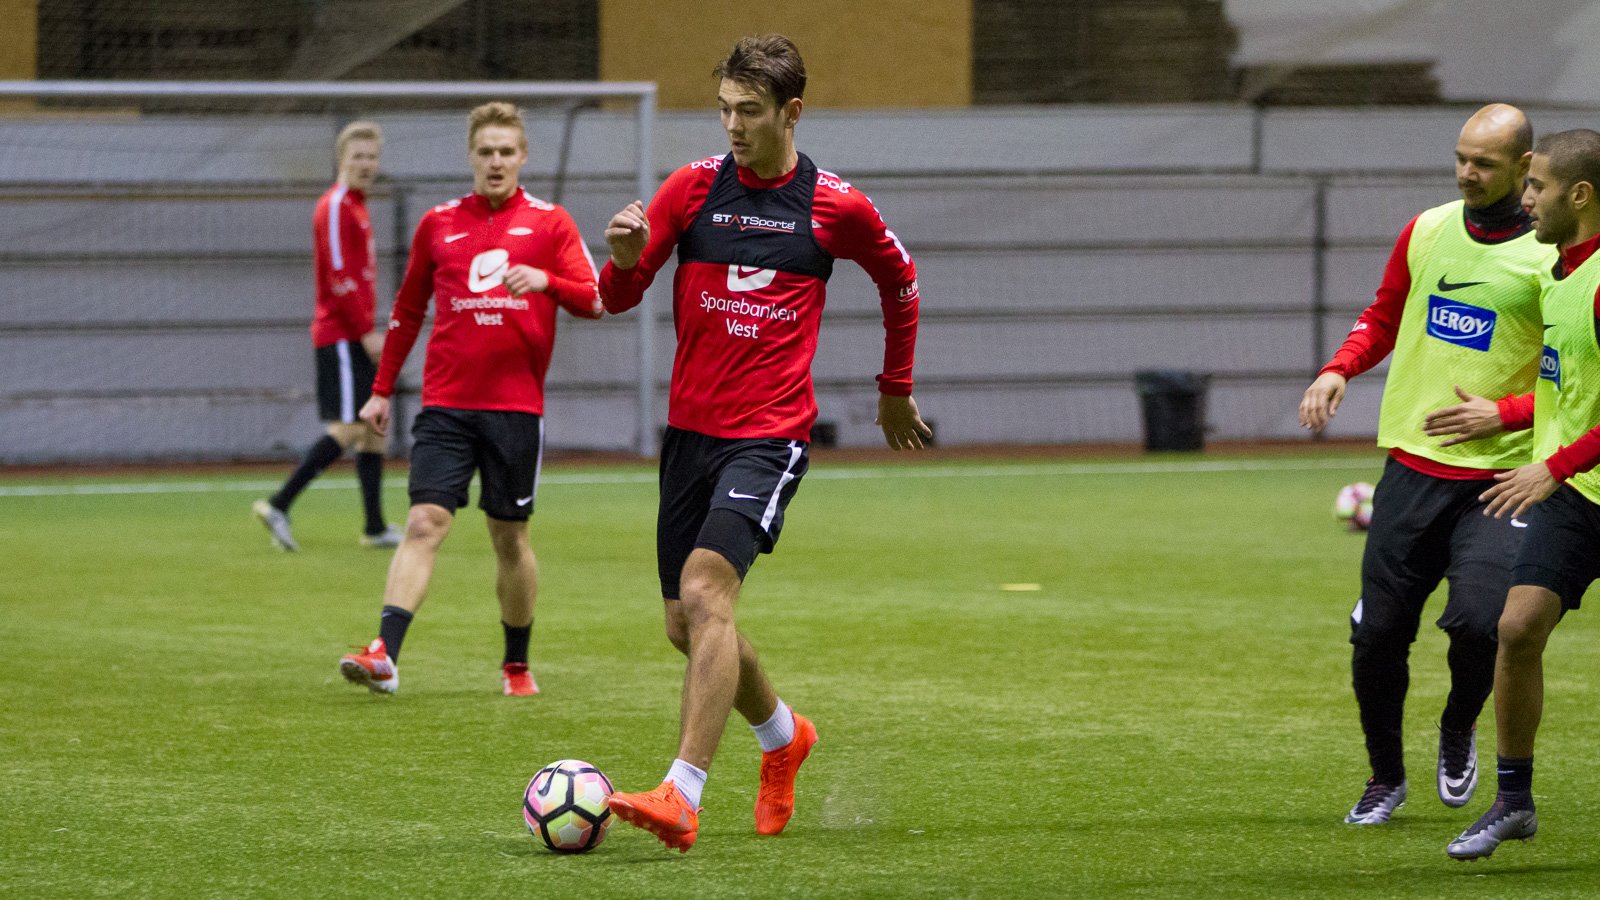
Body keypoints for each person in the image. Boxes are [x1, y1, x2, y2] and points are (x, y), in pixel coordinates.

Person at [596, 34, 933, 853]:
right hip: (688, 436)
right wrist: (623, 260)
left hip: (769, 436)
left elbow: (901, 280)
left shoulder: (835, 206)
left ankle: (683, 791)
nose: (733, 127)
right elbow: (619, 297)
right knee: (686, 624)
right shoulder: (692, 188)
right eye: (724, 110)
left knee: (709, 597)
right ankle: (784, 736)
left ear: (792, 112)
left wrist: (894, 390)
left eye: (749, 111)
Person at [1298, 104, 1554, 826]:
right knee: (1378, 632)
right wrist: (1339, 368)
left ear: (1524, 166)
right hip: (1413, 468)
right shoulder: (1428, 229)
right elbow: (1383, 314)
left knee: (1480, 626)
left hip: (1502, 479)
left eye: (1485, 163)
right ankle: (1384, 777)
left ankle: (1457, 725)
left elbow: (1574, 381)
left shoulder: (1551, 258)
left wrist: (1500, 415)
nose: (1467, 173)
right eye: (1461, 158)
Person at [336, 102, 603, 697]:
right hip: (446, 404)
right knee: (424, 522)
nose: (496, 161)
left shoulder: (551, 223)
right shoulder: (439, 223)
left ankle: (516, 664)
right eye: (486, 152)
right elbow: (406, 314)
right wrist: (381, 392)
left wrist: (546, 282)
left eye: (507, 151)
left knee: (509, 537)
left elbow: (595, 299)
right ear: (471, 157)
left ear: (522, 156)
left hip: (514, 410)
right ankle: (385, 654)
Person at [1434, 129, 1600, 860]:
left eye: (1537, 188)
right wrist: (1502, 417)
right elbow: (1566, 390)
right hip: (1577, 495)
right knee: (1516, 629)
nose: (1524, 199)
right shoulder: (1560, 275)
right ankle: (1513, 801)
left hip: (1568, 478)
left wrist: (1554, 465)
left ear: (1580, 195)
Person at [253, 120, 400, 552]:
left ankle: (374, 527)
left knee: (374, 427)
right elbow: (339, 276)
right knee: (352, 427)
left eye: (372, 157)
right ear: (341, 160)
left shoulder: (355, 206)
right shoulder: (335, 205)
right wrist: (365, 332)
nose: (366, 164)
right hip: (341, 335)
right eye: (358, 156)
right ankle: (280, 503)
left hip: (352, 333)